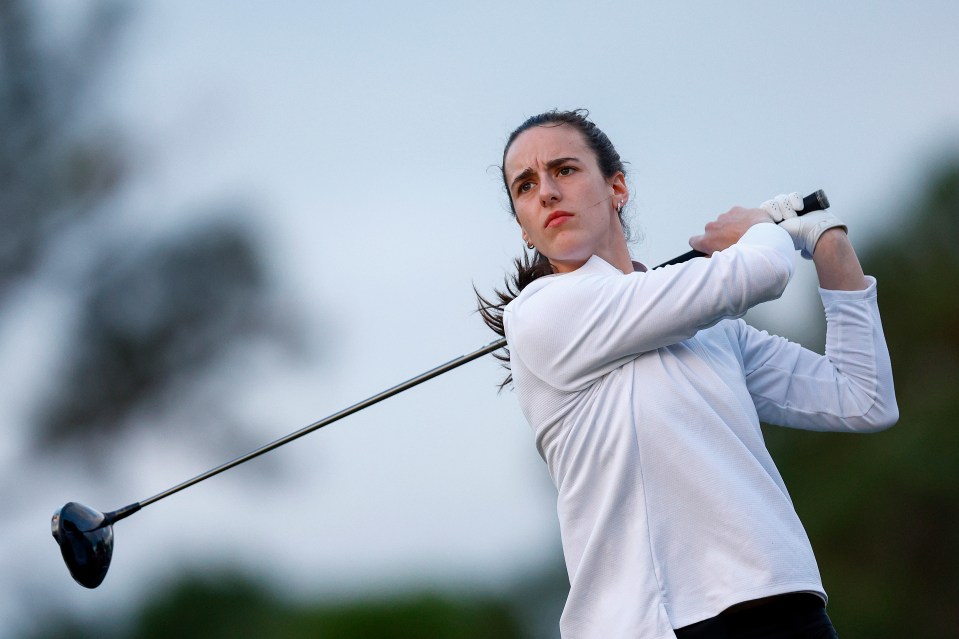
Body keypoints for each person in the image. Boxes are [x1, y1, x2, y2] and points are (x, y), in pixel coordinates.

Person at [477, 110, 898, 639]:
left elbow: (862, 398)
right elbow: (760, 271)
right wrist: (761, 231)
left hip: (783, 607)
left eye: (564, 170)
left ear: (617, 187)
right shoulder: (542, 313)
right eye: (526, 185)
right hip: (658, 624)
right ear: (523, 224)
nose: (546, 193)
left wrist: (827, 242)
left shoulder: (709, 327)